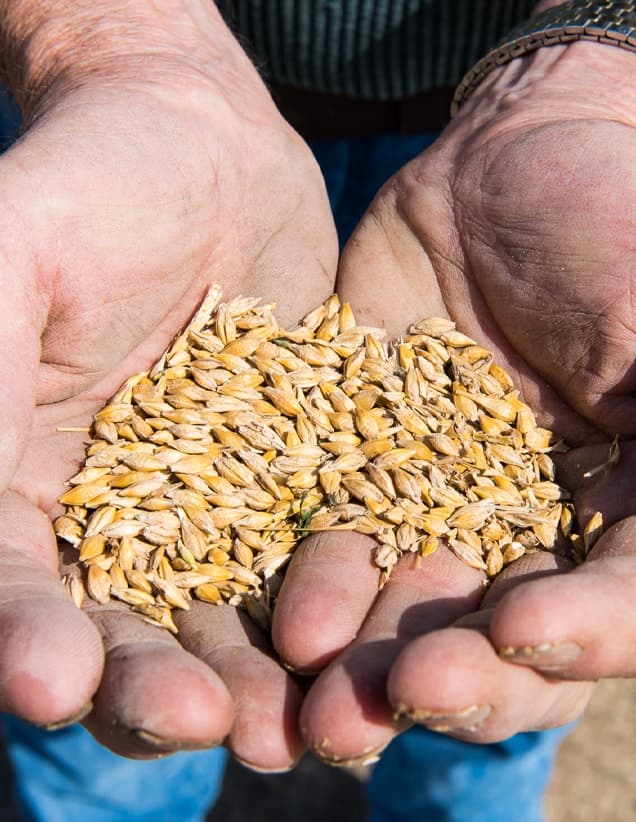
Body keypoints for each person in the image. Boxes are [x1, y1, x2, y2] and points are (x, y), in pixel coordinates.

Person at [0, 0, 633, 819]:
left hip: (513, 143)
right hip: (152, 122)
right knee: (96, 684)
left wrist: (596, 69)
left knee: (498, 648)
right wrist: (121, 44)